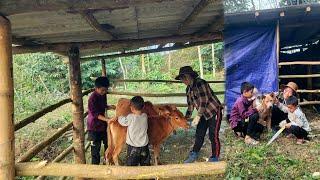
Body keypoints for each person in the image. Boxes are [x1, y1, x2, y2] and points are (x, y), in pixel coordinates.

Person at [175, 66, 223, 163]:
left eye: (184, 78)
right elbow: (190, 106)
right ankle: (195, 152)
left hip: (213, 111)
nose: (183, 81)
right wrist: (185, 118)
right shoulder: (188, 89)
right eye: (181, 79)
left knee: (213, 135)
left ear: (189, 76)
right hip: (203, 114)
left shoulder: (200, 83)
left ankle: (215, 157)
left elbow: (204, 101)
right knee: (199, 134)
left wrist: (198, 116)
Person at [112, 96, 150, 166]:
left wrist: (119, 116)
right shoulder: (145, 116)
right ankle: (147, 176)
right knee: (145, 164)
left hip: (133, 148)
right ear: (143, 107)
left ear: (131, 108)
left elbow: (122, 122)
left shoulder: (131, 117)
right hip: (144, 146)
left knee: (131, 166)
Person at [87, 76, 111, 164]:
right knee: (95, 149)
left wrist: (109, 107)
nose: (104, 92)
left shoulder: (103, 95)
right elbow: (95, 114)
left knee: (107, 144)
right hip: (94, 127)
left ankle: (107, 160)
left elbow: (103, 105)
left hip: (103, 125)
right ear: (96, 88)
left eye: (105, 90)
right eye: (102, 90)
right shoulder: (92, 99)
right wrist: (107, 119)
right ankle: (95, 168)